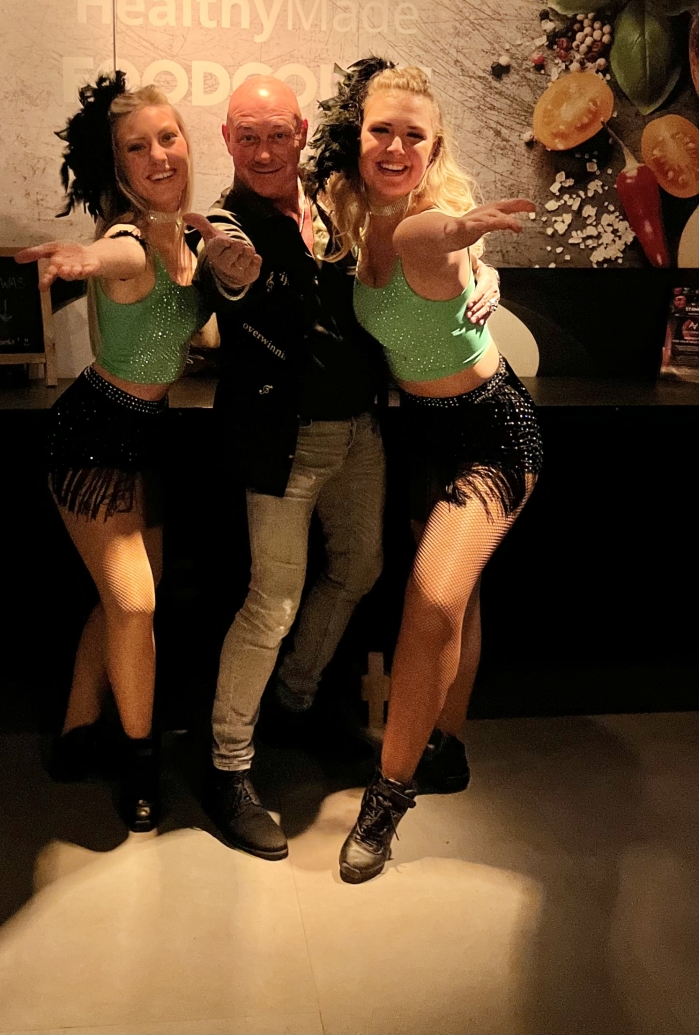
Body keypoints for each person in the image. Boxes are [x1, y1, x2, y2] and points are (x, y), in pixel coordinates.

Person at [187, 75, 502, 862]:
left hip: (361, 431)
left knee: (361, 568)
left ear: (301, 132)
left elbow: (427, 247)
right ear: (227, 140)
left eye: (277, 134)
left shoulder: (337, 201)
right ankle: (227, 765)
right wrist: (233, 277)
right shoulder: (227, 224)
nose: (264, 150)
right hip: (283, 441)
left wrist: (484, 272)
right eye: (247, 135)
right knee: (273, 600)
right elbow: (229, 277)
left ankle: (296, 703)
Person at [308, 58, 543, 883]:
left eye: (415, 135)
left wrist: (469, 240)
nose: (396, 146)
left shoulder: (426, 221)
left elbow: (436, 235)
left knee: (433, 598)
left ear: (434, 147)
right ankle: (448, 746)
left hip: (493, 433)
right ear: (359, 136)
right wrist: (482, 268)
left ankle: (387, 796)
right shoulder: (348, 213)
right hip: (421, 434)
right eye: (382, 130)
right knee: (458, 598)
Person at [15, 74, 255, 831]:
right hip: (93, 437)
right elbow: (110, 258)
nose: (158, 156)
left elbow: (197, 324)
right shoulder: (126, 239)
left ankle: (74, 736)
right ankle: (140, 764)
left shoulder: (193, 237)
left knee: (119, 600)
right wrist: (81, 261)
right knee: (136, 603)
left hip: (148, 437)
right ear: (118, 169)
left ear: (186, 144)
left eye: (167, 138)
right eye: (137, 148)